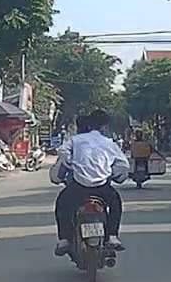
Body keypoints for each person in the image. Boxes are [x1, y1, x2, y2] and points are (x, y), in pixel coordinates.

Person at [51, 109, 129, 256]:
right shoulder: (109, 143)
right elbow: (123, 165)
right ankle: (112, 236)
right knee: (116, 204)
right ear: (104, 127)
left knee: (62, 204)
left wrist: (70, 163)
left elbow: (62, 152)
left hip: (79, 187)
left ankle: (64, 239)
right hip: (102, 187)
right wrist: (117, 176)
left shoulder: (75, 140)